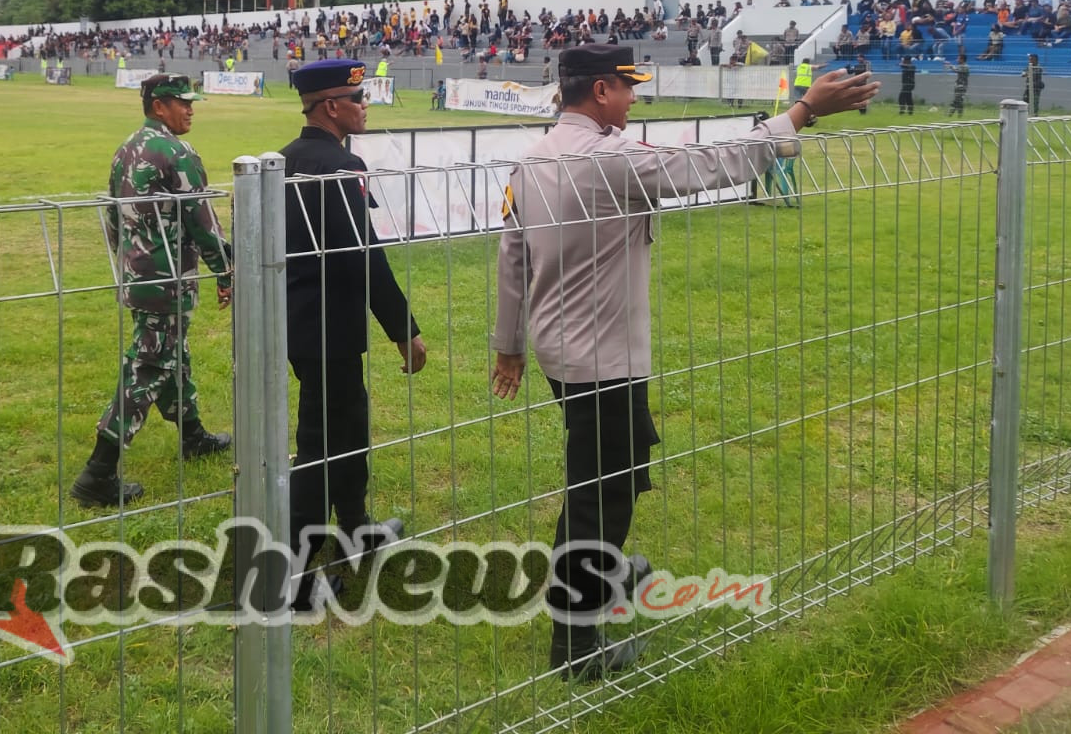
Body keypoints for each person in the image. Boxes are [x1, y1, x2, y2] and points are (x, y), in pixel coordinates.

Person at [490, 45, 877, 680]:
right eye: (627, 87)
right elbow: (708, 165)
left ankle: (600, 578)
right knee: (599, 498)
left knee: (618, 469)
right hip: (604, 358)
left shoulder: (534, 158)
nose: (634, 98)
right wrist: (803, 112)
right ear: (601, 92)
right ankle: (576, 646)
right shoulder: (608, 157)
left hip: (564, 350)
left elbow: (512, 253)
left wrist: (509, 344)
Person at [281, 60, 426, 607]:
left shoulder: (286, 160)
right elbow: (363, 257)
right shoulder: (341, 166)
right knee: (322, 442)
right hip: (329, 326)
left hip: (298, 323)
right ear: (330, 107)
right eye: (356, 97)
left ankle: (356, 529)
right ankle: (291, 580)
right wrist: (403, 329)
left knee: (346, 426)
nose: (365, 105)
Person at [72, 74, 234, 507]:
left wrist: (128, 263)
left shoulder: (126, 149)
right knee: (148, 364)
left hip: (138, 273)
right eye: (182, 102)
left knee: (170, 353)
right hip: (167, 278)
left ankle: (193, 435)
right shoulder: (177, 152)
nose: (191, 109)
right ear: (158, 106)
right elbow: (202, 220)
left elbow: (112, 216)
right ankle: (98, 472)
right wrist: (226, 270)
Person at [951, 52, 970, 116]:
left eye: (958, 58)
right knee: (959, 100)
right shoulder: (961, 66)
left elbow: (956, 70)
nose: (957, 60)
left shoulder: (965, 67)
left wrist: (951, 66)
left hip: (962, 85)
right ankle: (959, 114)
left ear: (962, 59)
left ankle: (951, 113)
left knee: (957, 99)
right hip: (958, 85)